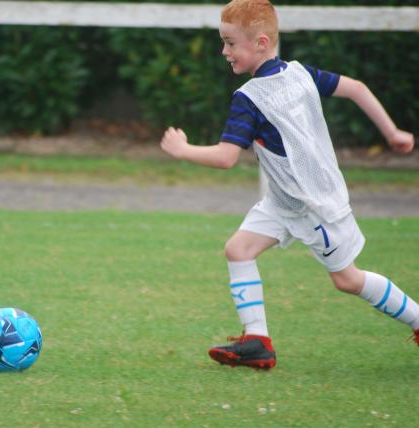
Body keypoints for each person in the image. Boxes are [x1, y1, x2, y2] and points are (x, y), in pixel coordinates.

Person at [160, 0, 417, 370]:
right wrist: (391, 131)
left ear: (261, 43)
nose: (224, 51)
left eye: (231, 43)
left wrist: (183, 150)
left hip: (313, 205)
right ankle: (257, 342)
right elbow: (357, 88)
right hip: (284, 201)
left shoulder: (249, 99)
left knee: (347, 279)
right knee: (238, 250)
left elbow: (226, 158)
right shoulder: (299, 73)